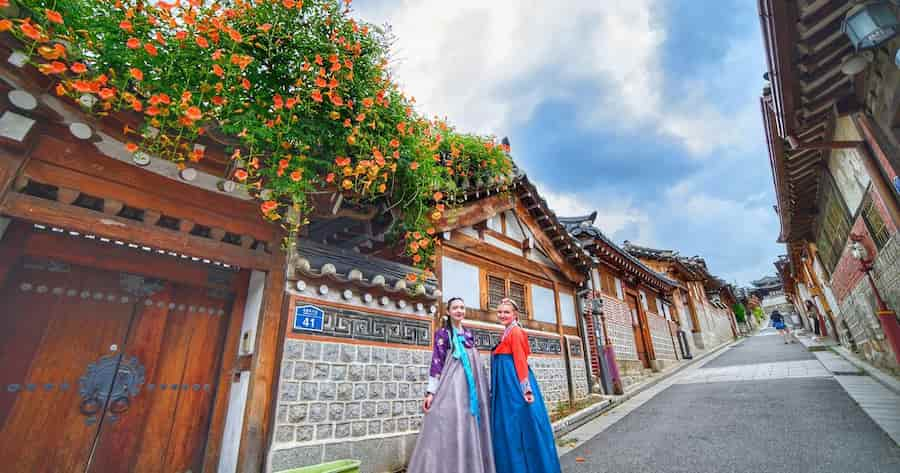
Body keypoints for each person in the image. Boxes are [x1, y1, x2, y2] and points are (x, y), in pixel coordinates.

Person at [407, 297, 494, 473]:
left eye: (462, 307)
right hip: (452, 386)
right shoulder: (443, 334)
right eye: (455, 308)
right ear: (448, 311)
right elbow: (437, 362)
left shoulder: (469, 334)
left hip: (471, 388)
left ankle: (470, 465)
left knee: (469, 422)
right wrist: (431, 392)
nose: (459, 311)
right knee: (445, 420)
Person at [491, 297, 561, 473]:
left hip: (514, 384)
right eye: (499, 312)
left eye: (506, 312)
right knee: (511, 425)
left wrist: (526, 389)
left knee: (519, 425)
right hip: (507, 384)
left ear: (515, 314)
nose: (502, 315)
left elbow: (520, 360)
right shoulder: (507, 331)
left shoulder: (516, 332)